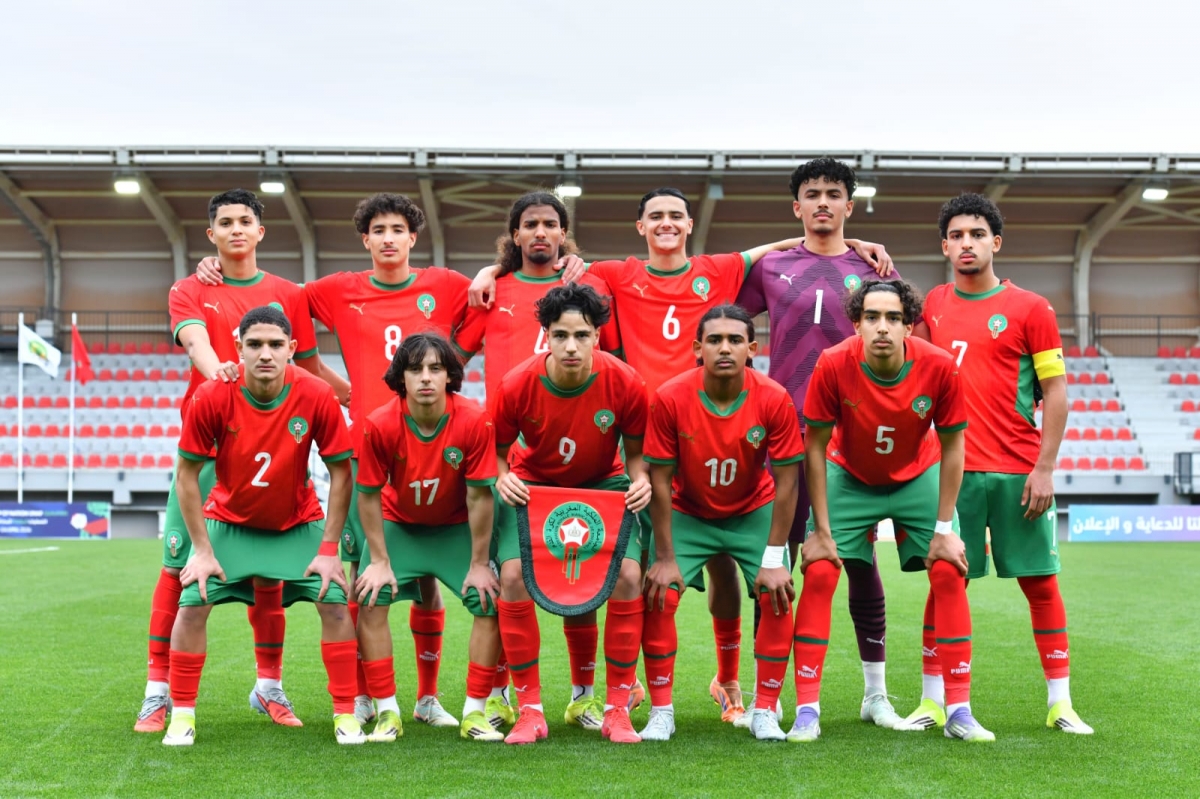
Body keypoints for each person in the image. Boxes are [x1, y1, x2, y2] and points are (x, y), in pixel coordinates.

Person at [470, 188, 891, 724]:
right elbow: (546, 258)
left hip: (711, 428)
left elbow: (774, 248)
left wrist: (847, 242)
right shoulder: (616, 274)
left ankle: (730, 680)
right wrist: (489, 270)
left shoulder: (716, 270)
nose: (666, 223)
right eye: (655, 217)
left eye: (675, 216)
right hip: (651, 440)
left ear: (689, 224)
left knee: (723, 571)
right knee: (646, 575)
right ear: (639, 226)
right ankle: (630, 691)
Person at [195, 192, 471, 729]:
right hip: (367, 441)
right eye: (378, 230)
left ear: (413, 237)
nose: (389, 238)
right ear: (365, 240)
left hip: (435, 439)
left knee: (428, 580)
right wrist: (217, 272)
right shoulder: (336, 290)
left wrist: (488, 268)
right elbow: (277, 300)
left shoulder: (449, 285)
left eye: (398, 229)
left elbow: (498, 296)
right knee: (360, 574)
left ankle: (428, 697)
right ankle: (367, 695)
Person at [137, 188, 347, 733]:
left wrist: (364, 398)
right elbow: (197, 344)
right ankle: (158, 692)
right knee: (178, 569)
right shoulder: (190, 288)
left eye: (245, 220)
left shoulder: (287, 293)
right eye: (224, 222)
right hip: (210, 446)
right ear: (211, 235)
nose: (235, 229)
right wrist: (222, 375)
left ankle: (268, 687)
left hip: (277, 444)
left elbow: (309, 366)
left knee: (272, 573)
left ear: (260, 231)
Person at [909, 193, 1092, 735]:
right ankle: (932, 701)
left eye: (977, 234)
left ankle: (1061, 702)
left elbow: (1056, 392)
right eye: (957, 235)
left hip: (1017, 470)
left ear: (996, 242)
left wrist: (1045, 467)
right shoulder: (932, 306)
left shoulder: (1032, 308)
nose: (967, 243)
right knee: (945, 581)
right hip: (951, 474)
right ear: (944, 246)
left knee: (1041, 585)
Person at [454, 192, 633, 726]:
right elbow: (453, 358)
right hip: (519, 450)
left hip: (589, 456)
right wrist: (486, 271)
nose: (539, 232)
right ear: (514, 235)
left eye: (550, 224)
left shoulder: (588, 287)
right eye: (528, 224)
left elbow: (616, 353)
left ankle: (588, 694)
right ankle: (514, 694)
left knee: (588, 579)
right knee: (514, 576)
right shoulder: (492, 289)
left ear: (564, 232)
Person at [736, 157, 898, 727]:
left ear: (849, 206)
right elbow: (722, 314)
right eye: (813, 193)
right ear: (797, 206)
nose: (823, 201)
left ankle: (874, 692)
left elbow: (898, 330)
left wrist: (861, 246)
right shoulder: (773, 266)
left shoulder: (873, 270)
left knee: (856, 561)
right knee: (774, 561)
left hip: (846, 439)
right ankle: (767, 695)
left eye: (834, 194)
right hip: (782, 433)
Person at [796, 278, 992, 743]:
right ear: (856, 323)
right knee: (821, 572)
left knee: (948, 570)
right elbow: (815, 447)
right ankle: (808, 710)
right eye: (871, 317)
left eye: (893, 318)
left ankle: (959, 709)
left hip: (916, 474)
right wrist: (820, 529)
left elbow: (953, 446)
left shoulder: (940, 367)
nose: (882, 328)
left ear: (908, 326)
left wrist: (945, 528)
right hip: (850, 476)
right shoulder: (833, 363)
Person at [162, 305, 361, 746]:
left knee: (333, 600)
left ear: (292, 349)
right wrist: (202, 550)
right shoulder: (212, 395)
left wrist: (329, 551)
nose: (265, 354)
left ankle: (345, 714)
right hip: (228, 525)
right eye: (254, 345)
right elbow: (186, 475)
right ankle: (182, 715)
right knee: (192, 604)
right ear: (238, 348)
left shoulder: (315, 394)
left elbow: (343, 471)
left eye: (275, 345)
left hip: (296, 525)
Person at [489, 283, 651, 745]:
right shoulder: (516, 384)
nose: (572, 346)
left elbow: (637, 456)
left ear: (597, 336)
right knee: (515, 577)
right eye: (561, 335)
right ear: (546, 335)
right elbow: (495, 455)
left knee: (627, 577)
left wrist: (639, 480)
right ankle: (530, 710)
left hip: (603, 488)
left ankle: (616, 708)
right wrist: (502, 475)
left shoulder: (625, 382)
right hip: (534, 492)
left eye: (582, 334)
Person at [640, 303, 804, 742]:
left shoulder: (773, 397)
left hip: (752, 509)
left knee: (777, 593)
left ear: (753, 348)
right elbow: (658, 477)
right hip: (688, 511)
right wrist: (665, 556)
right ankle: (661, 711)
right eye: (714, 340)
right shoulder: (671, 396)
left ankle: (765, 709)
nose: (725, 348)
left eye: (735, 340)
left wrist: (773, 558)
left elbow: (789, 482)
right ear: (697, 348)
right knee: (659, 593)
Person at [352, 333, 504, 743]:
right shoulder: (379, 424)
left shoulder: (474, 420)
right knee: (369, 596)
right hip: (400, 526)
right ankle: (387, 711)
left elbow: (479, 496)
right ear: (400, 377)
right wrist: (380, 561)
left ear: (450, 375)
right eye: (415, 369)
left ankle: (474, 712)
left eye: (436, 368)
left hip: (454, 529)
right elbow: (366, 496)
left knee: (488, 601)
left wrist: (478, 563)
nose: (425, 378)